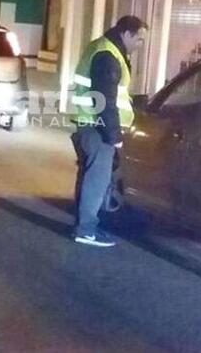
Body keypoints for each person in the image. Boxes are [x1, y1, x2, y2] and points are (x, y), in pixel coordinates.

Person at [70, 15, 148, 247]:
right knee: (97, 179)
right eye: (139, 39)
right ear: (127, 34)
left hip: (89, 124)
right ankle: (86, 230)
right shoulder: (108, 55)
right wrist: (114, 136)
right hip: (98, 128)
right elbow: (105, 99)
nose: (140, 45)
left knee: (89, 177)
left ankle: (85, 225)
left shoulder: (103, 48)